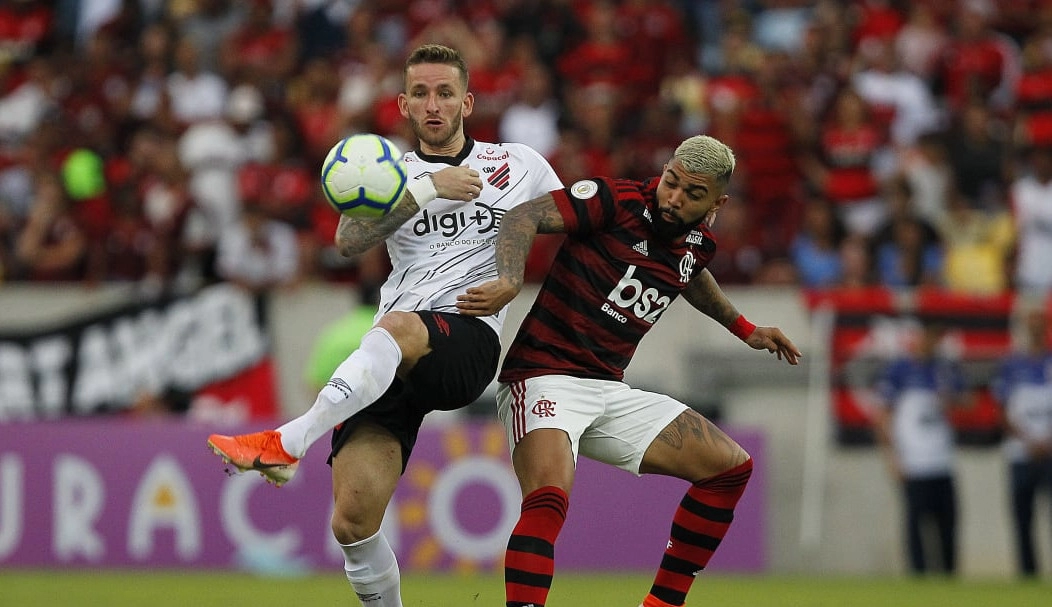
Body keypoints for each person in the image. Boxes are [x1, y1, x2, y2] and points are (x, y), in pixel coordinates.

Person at [206, 44, 563, 607]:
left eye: (445, 92)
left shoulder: (518, 164)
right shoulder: (391, 171)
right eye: (420, 93)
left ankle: (288, 440)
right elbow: (348, 241)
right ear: (403, 104)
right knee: (351, 523)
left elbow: (569, 223)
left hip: (465, 339)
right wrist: (425, 189)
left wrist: (518, 280)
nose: (433, 104)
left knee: (397, 326)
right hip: (390, 362)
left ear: (467, 101)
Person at [455, 134, 802, 607]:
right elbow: (525, 214)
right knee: (550, 496)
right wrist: (511, 279)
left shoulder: (698, 245)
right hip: (542, 374)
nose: (675, 198)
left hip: (608, 389)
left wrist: (745, 328)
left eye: (692, 194)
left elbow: (688, 275)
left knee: (730, 468)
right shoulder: (612, 200)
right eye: (672, 183)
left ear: (717, 202)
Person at [869, 318, 969, 576]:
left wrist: (953, 400)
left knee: (947, 524)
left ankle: (948, 577)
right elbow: (881, 415)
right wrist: (892, 457)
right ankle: (918, 578)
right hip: (913, 461)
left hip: (942, 459)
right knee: (916, 525)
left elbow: (968, 402)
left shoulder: (946, 370)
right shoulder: (900, 370)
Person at [991, 304, 1052, 577]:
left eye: (1040, 323)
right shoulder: (1011, 365)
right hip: (1021, 453)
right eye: (1031, 324)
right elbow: (1001, 411)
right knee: (1022, 519)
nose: (1036, 329)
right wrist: (1029, 441)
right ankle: (1028, 575)